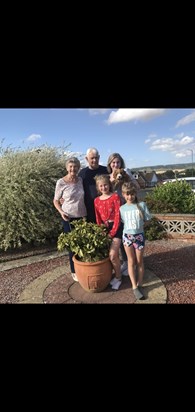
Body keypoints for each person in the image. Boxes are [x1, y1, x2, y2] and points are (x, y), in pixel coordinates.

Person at [53, 157, 87, 282]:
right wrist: (61, 211)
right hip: (68, 217)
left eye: (75, 166)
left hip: (82, 215)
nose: (73, 169)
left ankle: (82, 266)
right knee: (72, 245)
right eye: (70, 167)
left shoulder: (80, 180)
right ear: (67, 168)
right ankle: (74, 270)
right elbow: (56, 200)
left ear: (78, 168)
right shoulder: (61, 182)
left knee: (83, 242)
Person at [107, 153, 140, 276]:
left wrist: (128, 180)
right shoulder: (108, 177)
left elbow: (137, 187)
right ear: (110, 164)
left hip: (127, 210)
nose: (116, 165)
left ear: (121, 163)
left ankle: (131, 262)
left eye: (118, 162)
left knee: (129, 235)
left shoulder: (126, 173)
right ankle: (126, 261)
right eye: (113, 163)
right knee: (119, 237)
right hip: (114, 212)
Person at [120, 182, 152, 300]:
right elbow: (123, 223)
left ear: (135, 193)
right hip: (127, 237)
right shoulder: (122, 209)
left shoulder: (142, 205)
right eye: (127, 194)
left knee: (139, 261)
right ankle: (134, 286)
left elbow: (148, 219)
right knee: (130, 261)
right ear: (123, 195)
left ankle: (140, 284)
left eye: (132, 194)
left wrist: (141, 225)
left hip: (139, 237)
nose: (130, 197)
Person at [94, 174, 123, 290]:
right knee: (107, 255)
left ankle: (119, 277)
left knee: (113, 255)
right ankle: (112, 274)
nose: (103, 188)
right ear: (98, 187)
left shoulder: (115, 197)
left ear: (109, 185)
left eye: (105, 185)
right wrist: (101, 230)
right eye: (101, 186)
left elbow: (117, 216)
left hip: (116, 227)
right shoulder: (96, 200)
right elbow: (98, 218)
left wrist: (113, 232)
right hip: (104, 229)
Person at [78, 148, 108, 222]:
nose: (94, 160)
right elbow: (75, 188)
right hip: (89, 209)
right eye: (92, 158)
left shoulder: (106, 170)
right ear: (86, 159)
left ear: (99, 157)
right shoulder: (82, 173)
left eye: (96, 158)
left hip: (106, 207)